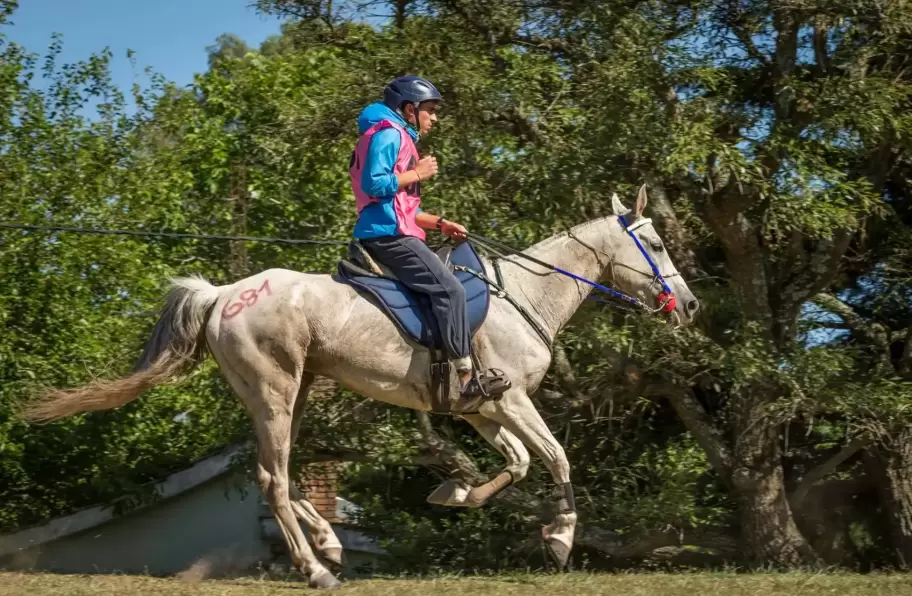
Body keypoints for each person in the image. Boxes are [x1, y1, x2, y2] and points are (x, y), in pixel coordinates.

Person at [348, 75, 510, 408]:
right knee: (451, 290)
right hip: (387, 236)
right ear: (410, 109)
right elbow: (375, 185)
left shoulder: (397, 136)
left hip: (392, 228)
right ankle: (466, 381)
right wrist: (417, 174)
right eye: (430, 110)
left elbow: (403, 207)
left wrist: (440, 223)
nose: (434, 118)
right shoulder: (389, 134)